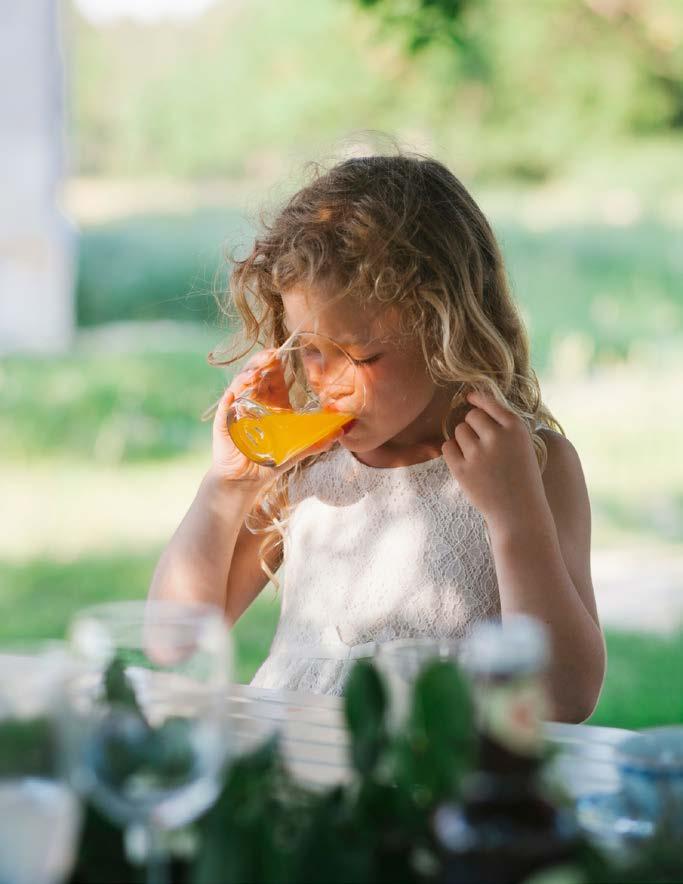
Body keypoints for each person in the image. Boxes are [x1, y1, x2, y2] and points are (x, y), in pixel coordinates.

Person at [148, 152, 605, 722]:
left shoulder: (530, 467)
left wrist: (514, 517)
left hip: (433, 784)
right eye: (309, 350)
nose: (326, 381)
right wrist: (226, 489)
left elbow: (566, 697)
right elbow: (173, 642)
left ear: (446, 328)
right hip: (296, 778)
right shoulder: (306, 467)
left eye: (361, 355)